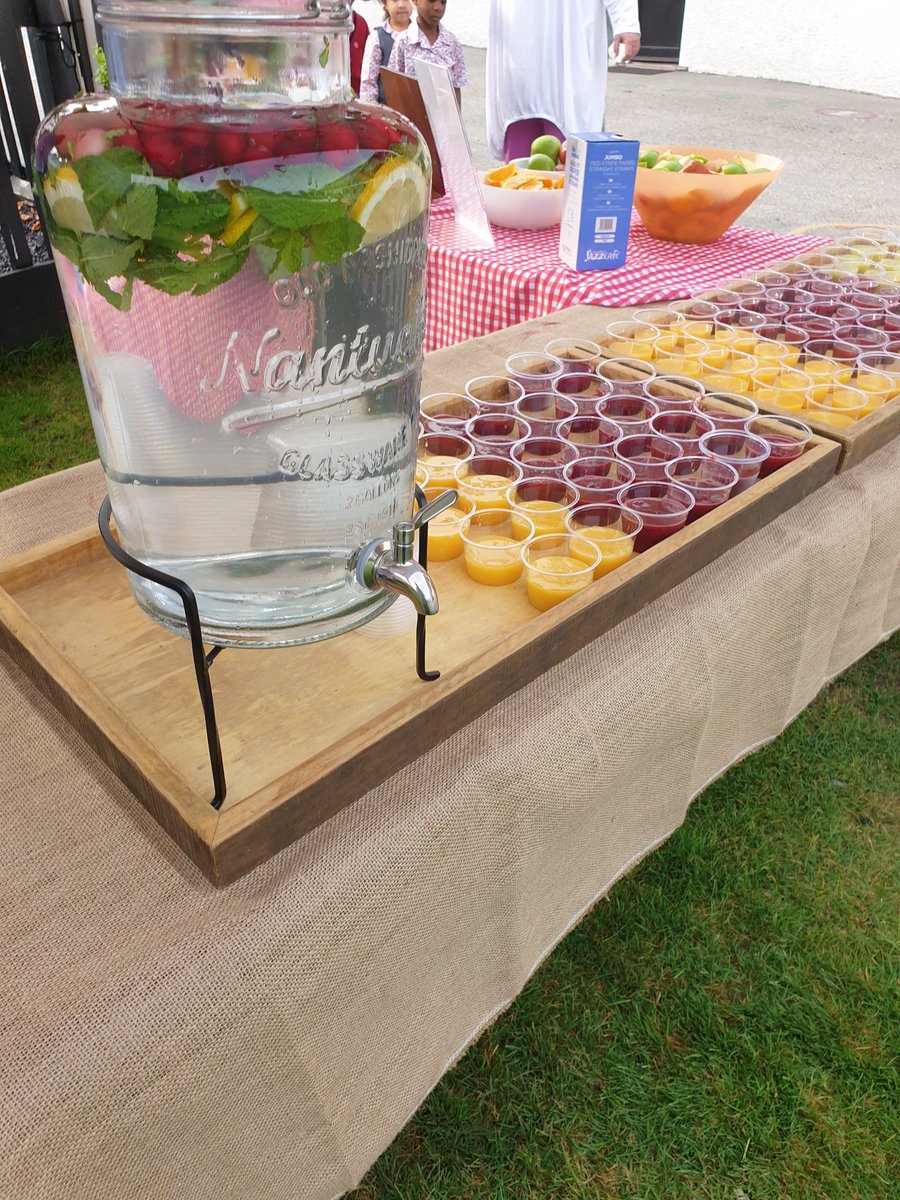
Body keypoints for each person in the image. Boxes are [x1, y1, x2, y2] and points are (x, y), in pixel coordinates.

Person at [486, 0, 641, 163]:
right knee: (518, 114)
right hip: (517, 31)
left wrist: (626, 23)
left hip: (569, 33)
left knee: (569, 143)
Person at [387, 0, 469, 106]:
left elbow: (456, 87)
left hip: (443, 118)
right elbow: (395, 86)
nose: (438, 7)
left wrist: (455, 121)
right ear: (416, 1)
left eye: (443, 2)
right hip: (413, 117)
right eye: (431, 1)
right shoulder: (404, 41)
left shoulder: (452, 43)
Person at [359, 0, 414, 103]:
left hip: (415, 110)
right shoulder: (377, 38)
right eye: (395, 0)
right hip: (386, 111)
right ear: (385, 3)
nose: (401, 5)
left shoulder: (420, 36)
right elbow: (368, 84)